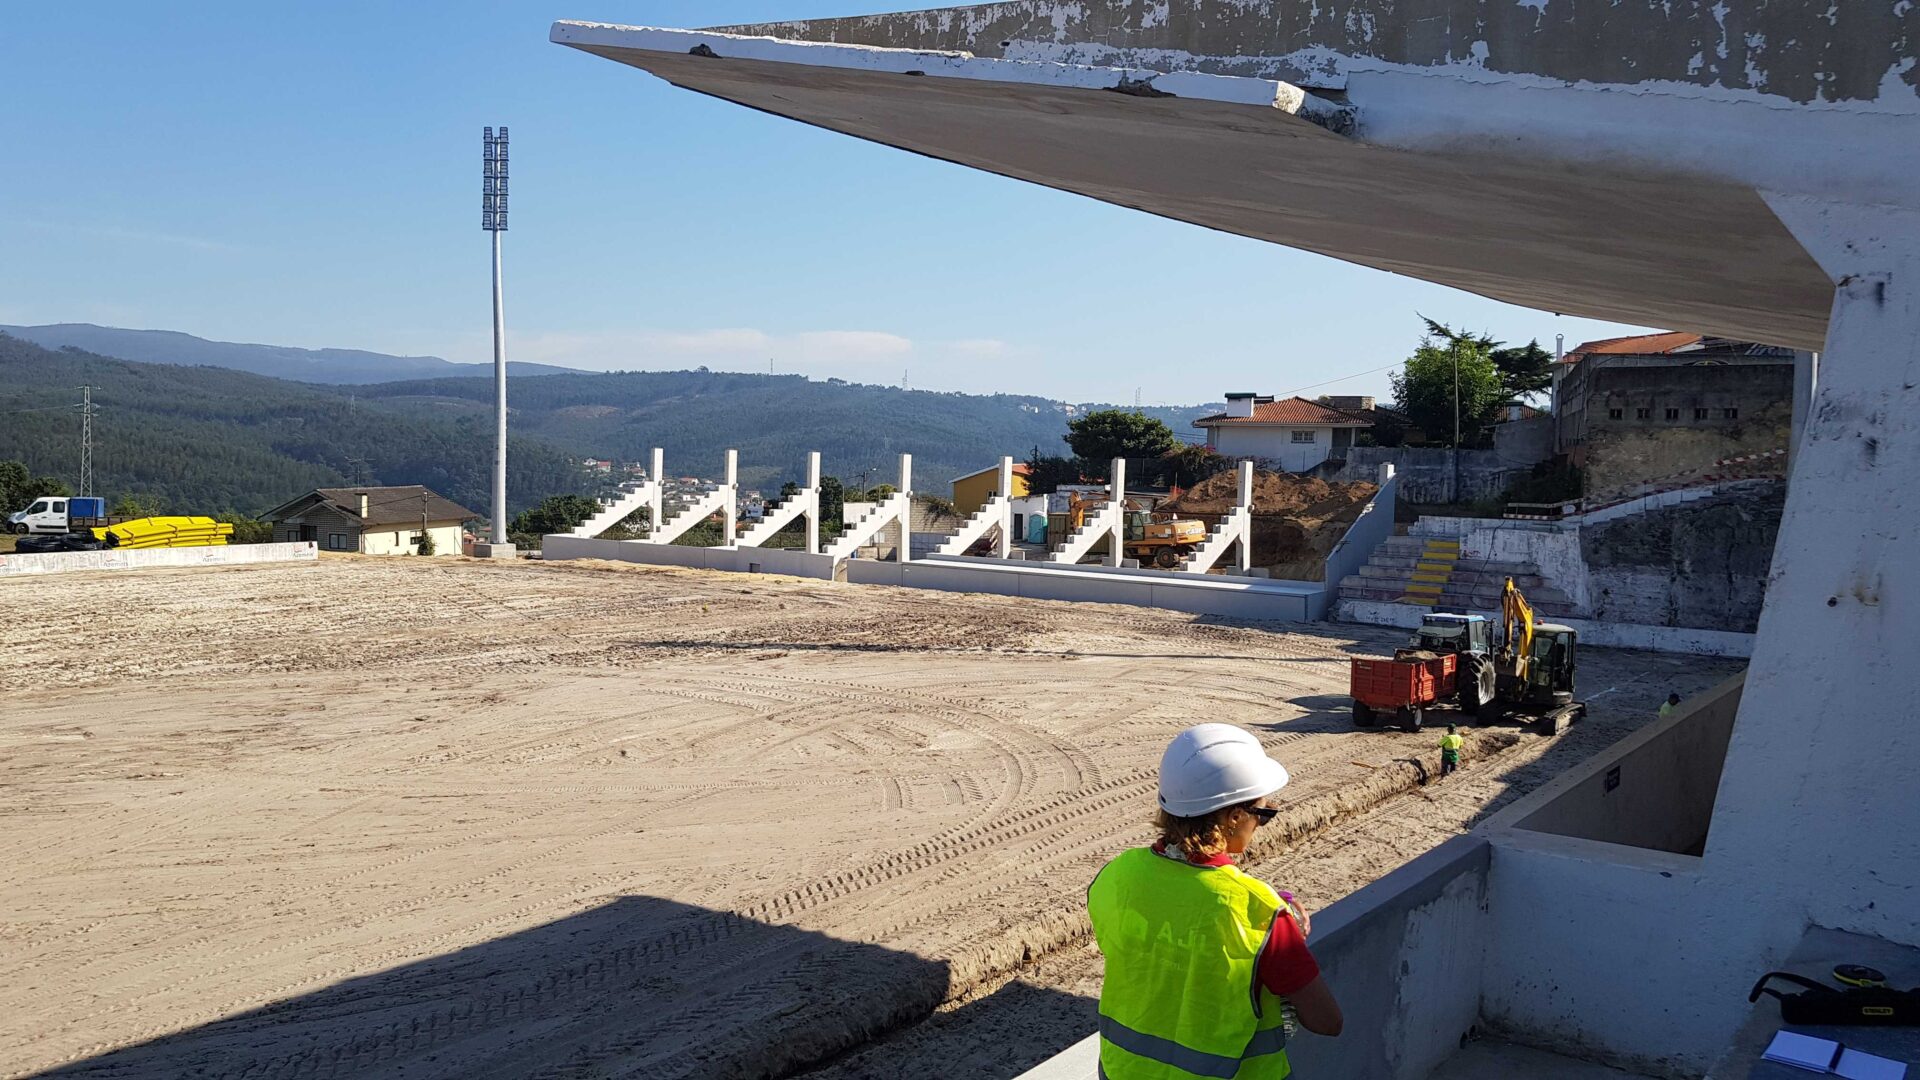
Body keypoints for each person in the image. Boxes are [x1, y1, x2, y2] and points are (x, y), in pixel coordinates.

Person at [1088, 724, 1342, 1079]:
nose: (1260, 824)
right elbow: (1326, 1021)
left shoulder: (1116, 876)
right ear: (1233, 817)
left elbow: (1160, 939)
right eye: (1263, 814)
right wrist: (1280, 925)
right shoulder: (1259, 912)